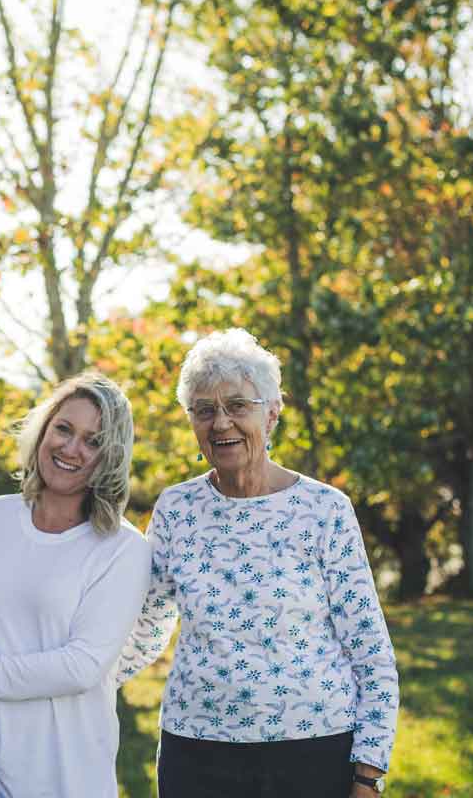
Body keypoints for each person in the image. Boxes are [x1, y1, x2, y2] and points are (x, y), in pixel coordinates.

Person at [117, 328, 399, 798]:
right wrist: (72, 682)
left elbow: (369, 649)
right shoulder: (176, 509)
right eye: (204, 410)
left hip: (314, 750)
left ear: (272, 413)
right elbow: (147, 627)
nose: (221, 423)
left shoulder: (324, 509)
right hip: (198, 752)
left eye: (237, 406)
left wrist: (369, 772)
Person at [0, 372, 152, 798]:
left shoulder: (122, 549)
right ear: (42, 430)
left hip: (62, 771)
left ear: (110, 456)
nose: (71, 447)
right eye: (63, 428)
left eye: (93, 440)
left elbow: (80, 666)